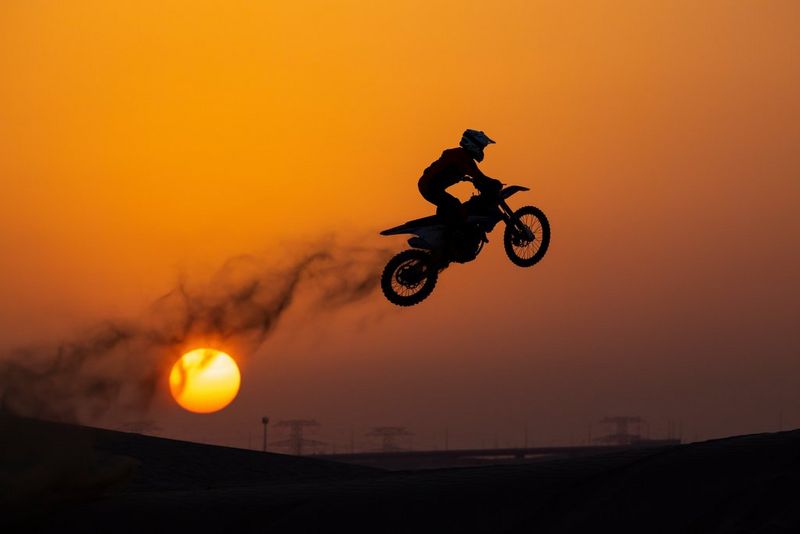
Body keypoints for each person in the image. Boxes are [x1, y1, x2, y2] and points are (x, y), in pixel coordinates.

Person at [417, 129, 502, 257]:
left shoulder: (460, 156)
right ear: (473, 144)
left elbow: (448, 170)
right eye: (481, 146)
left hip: (429, 186)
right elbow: (479, 176)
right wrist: (493, 183)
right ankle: (451, 240)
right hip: (430, 187)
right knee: (457, 207)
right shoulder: (463, 157)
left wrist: (465, 178)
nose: (482, 150)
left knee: (451, 209)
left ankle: (448, 241)